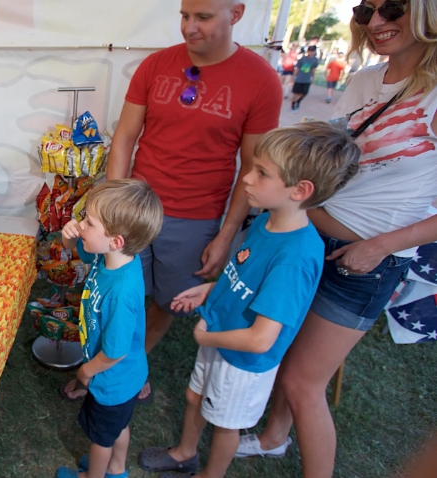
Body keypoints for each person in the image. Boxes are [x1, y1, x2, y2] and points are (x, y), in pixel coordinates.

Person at [234, 1, 437, 477]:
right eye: (367, 11)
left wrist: (382, 246)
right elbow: (328, 158)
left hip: (364, 260)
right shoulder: (366, 80)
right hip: (308, 240)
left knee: (305, 382)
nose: (378, 22)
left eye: (393, 8)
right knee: (286, 351)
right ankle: (272, 437)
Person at [61, 0, 282, 404]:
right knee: (117, 289)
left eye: (203, 17)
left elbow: (252, 168)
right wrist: (113, 206)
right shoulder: (155, 65)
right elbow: (125, 137)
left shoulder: (261, 80)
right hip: (137, 207)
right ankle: (105, 360)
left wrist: (226, 234)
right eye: (184, 16)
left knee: (168, 300)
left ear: (236, 14)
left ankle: (131, 365)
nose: (189, 28)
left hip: (197, 215)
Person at [137, 123, 361, 478]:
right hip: (221, 335)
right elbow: (243, 277)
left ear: (300, 189)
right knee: (195, 397)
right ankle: (184, 453)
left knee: (226, 424)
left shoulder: (296, 256)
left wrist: (205, 336)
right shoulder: (265, 221)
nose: (247, 179)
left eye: (262, 173)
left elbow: (261, 338)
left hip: (242, 360)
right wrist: (210, 289)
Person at [55, 179, 164, 478]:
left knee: (101, 436)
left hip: (111, 377)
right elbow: (79, 249)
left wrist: (86, 371)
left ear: (116, 240)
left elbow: (115, 352)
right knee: (119, 425)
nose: (81, 224)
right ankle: (117, 470)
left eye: (88, 222)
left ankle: (95, 475)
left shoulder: (121, 292)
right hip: (125, 378)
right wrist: (69, 238)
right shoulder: (113, 258)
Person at [291, 45, 320, 110]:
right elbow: (297, 68)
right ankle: (293, 105)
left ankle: (299, 101)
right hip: (299, 78)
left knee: (304, 93)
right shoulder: (302, 59)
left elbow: (313, 70)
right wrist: (294, 77)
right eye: (310, 51)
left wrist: (313, 78)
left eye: (312, 51)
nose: (311, 52)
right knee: (296, 92)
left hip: (307, 79)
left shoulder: (314, 60)